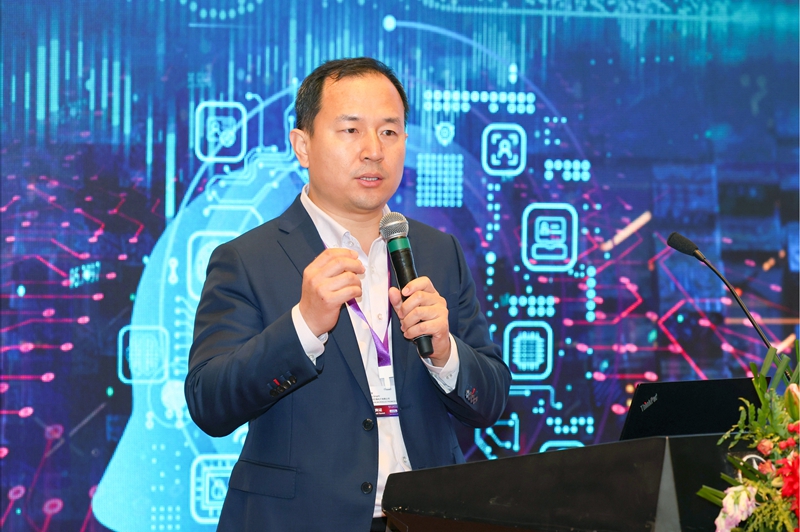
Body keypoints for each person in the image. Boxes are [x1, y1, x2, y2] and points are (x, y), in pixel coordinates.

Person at [185, 57, 511, 531]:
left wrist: (445, 353)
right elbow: (209, 403)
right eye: (351, 130)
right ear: (302, 146)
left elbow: (491, 400)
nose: (373, 151)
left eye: (389, 132)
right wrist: (303, 327)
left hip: (425, 517)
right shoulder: (247, 258)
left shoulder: (439, 252)